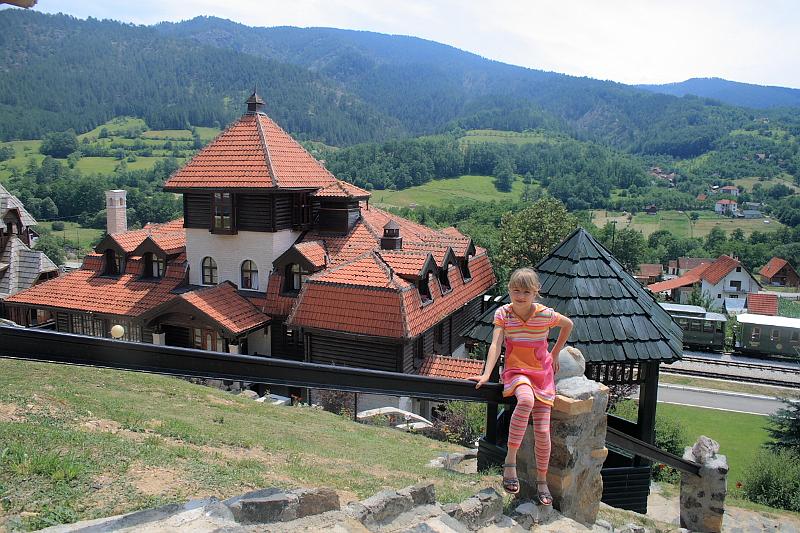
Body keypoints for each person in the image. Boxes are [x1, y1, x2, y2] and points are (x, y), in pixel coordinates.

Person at [469, 267, 573, 504]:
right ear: (509, 290)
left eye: (526, 291)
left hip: (542, 375)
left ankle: (542, 482)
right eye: (516, 290)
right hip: (517, 371)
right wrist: (486, 374)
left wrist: (555, 353)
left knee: (543, 432)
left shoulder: (545, 314)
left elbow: (568, 325)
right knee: (525, 400)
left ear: (535, 292)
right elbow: (495, 345)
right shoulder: (503, 314)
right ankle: (510, 463)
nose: (521, 295)